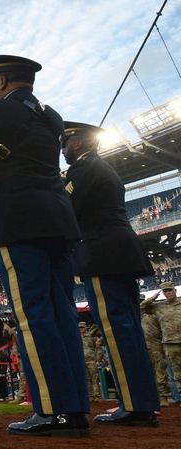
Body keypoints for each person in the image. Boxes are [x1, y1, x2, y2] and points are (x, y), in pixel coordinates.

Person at [0, 55, 89, 438]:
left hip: (18, 220)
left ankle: (51, 410)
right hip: (58, 219)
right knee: (62, 312)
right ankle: (74, 409)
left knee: (33, 316)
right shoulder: (51, 116)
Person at [61, 121, 159, 424]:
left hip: (102, 253)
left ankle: (133, 406)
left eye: (64, 144)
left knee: (117, 330)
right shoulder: (103, 168)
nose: (62, 151)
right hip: (121, 251)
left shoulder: (82, 169)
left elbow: (65, 208)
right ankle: (142, 402)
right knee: (128, 328)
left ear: (78, 143)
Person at [140, 298, 173, 407]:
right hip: (142, 348)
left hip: (157, 348)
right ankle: (148, 397)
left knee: (160, 373)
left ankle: (163, 397)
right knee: (144, 374)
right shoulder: (137, 316)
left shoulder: (157, 315)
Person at [153, 281, 181, 403]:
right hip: (170, 343)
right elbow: (142, 308)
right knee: (177, 374)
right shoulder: (159, 306)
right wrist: (153, 297)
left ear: (175, 290)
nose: (168, 292)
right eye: (165, 291)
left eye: (170, 290)